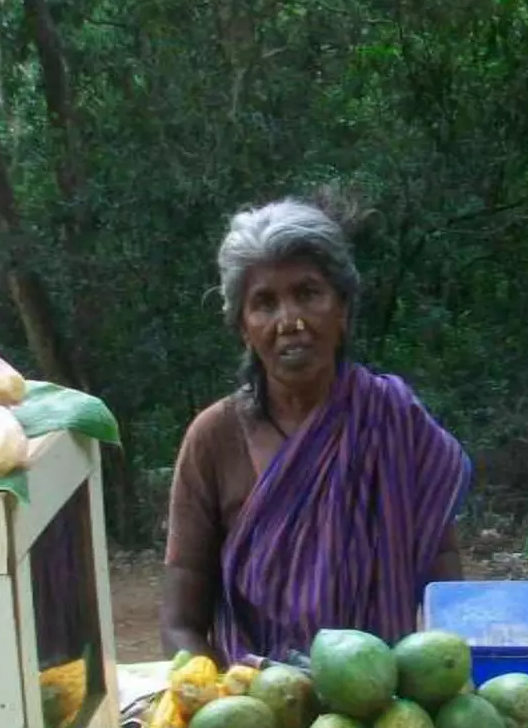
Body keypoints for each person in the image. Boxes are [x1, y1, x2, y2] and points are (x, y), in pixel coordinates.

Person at [162, 197, 470, 665]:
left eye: (308, 293)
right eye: (264, 303)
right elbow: (180, 622)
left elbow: (443, 571)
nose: (291, 321)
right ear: (243, 327)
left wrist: (442, 678)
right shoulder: (213, 439)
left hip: (382, 713)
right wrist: (217, 703)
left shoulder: (394, 420)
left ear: (342, 309)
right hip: (255, 713)